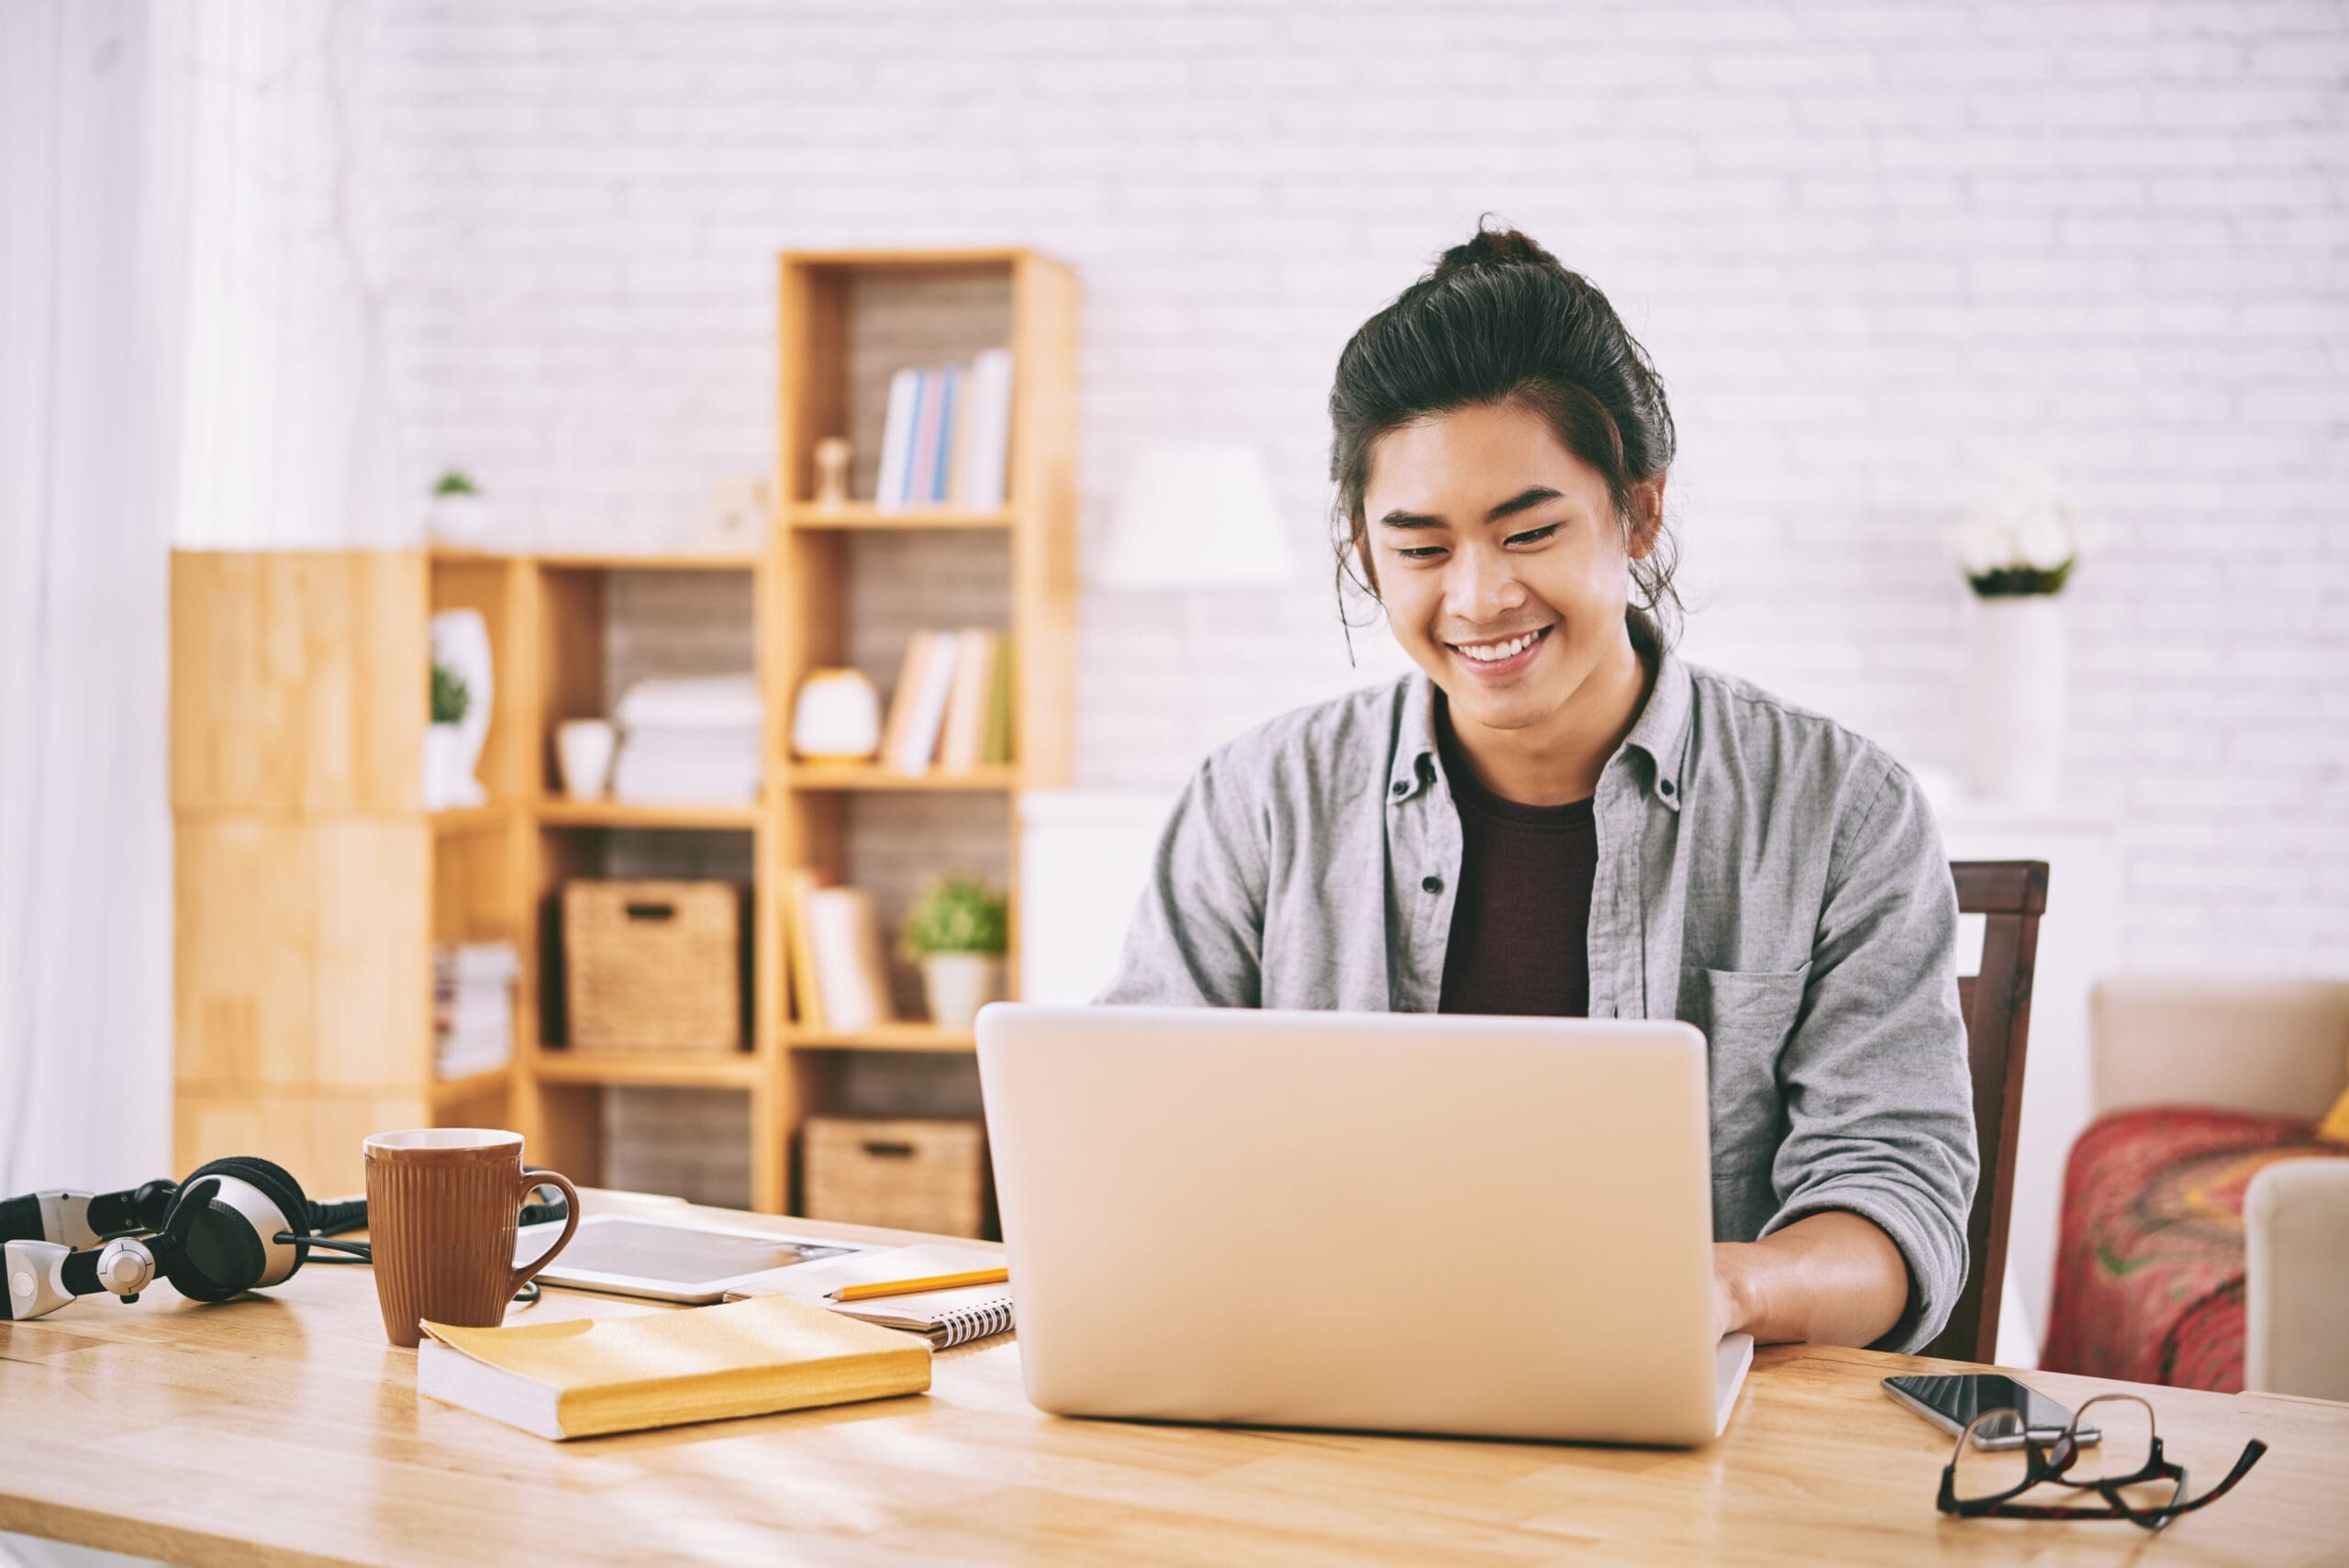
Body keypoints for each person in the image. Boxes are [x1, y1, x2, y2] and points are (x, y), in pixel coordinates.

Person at [1098, 223, 1977, 1355]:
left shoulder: (1838, 810)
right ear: (1365, 551)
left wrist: (1727, 1289)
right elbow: (1131, 1133)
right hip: (1326, 1396)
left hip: (1686, 1426)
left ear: (1638, 513)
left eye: (1528, 531)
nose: (1476, 597)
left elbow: (1893, 1201)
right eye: (1420, 548)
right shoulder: (1256, 800)